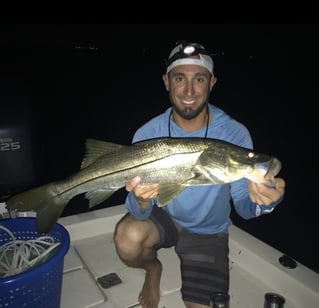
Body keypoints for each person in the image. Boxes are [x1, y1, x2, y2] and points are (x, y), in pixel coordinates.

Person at [113, 41, 285, 308]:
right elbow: (138, 213)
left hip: (208, 233)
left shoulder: (233, 134)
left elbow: (244, 206)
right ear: (167, 81)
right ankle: (153, 270)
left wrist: (265, 202)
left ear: (212, 82)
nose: (189, 90)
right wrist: (143, 201)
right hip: (164, 217)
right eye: (180, 78)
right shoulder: (147, 135)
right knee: (127, 238)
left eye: (199, 79)